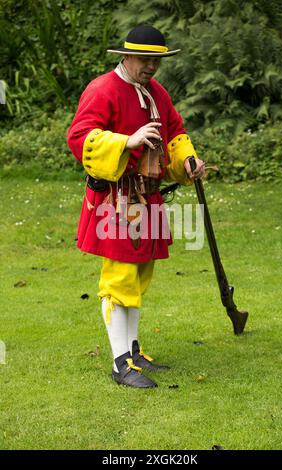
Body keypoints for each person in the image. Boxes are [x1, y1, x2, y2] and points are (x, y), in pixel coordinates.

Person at [67, 25, 205, 388]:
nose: (151, 67)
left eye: (156, 60)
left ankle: (132, 350)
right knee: (118, 279)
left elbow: (175, 134)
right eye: (145, 60)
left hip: (148, 195)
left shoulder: (156, 91)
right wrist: (128, 140)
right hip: (116, 200)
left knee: (140, 277)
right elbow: (79, 137)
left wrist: (188, 160)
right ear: (125, 56)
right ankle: (119, 363)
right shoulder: (102, 89)